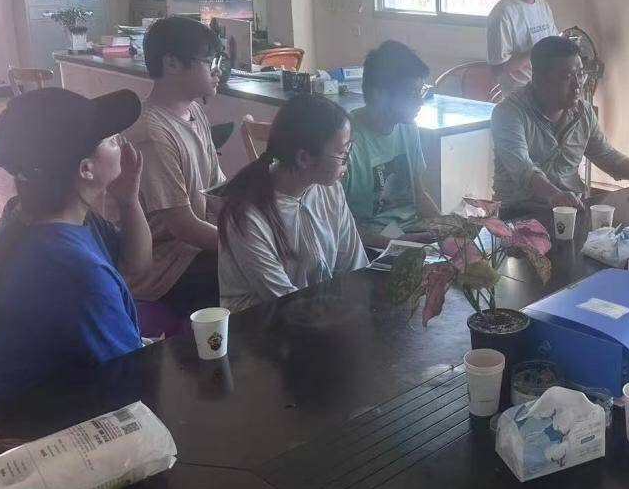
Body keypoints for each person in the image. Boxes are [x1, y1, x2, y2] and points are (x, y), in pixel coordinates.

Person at [0, 88, 148, 413]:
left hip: (33, 411)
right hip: (31, 432)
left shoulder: (34, 214)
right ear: (86, 169)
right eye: (110, 139)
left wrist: (129, 200)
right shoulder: (73, 272)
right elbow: (131, 381)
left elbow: (136, 266)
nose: (121, 142)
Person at [218, 93, 368, 312]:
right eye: (342, 153)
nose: (349, 160)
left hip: (319, 313)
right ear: (303, 158)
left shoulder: (331, 190)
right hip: (262, 322)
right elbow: (285, 301)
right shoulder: (246, 216)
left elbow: (355, 267)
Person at [491, 35, 629, 213]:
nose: (577, 85)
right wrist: (555, 195)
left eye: (580, 75)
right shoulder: (509, 113)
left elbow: (608, 157)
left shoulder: (583, 112)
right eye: (567, 77)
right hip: (520, 214)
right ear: (539, 79)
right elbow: (524, 170)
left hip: (572, 209)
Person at [126, 16, 226, 317]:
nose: (218, 71)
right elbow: (182, 226)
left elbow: (218, 189)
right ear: (172, 63)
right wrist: (243, 244)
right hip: (165, 266)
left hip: (194, 247)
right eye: (209, 61)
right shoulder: (151, 132)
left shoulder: (193, 110)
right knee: (249, 272)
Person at [345, 41, 441, 247]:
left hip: (411, 233)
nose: (420, 101)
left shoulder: (408, 128)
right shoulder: (345, 141)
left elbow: (419, 194)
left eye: (421, 91)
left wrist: (448, 229)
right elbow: (338, 227)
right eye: (411, 93)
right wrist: (398, 243)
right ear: (379, 94)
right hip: (370, 245)